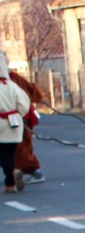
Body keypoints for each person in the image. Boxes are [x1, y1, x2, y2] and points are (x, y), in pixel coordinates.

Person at [0, 50, 31, 193]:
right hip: (14, 124)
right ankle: (10, 184)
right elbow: (24, 104)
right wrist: (18, 115)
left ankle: (13, 172)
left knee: (2, 156)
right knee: (10, 153)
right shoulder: (12, 86)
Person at [8, 66, 44, 183]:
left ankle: (31, 170)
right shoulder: (14, 77)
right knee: (22, 145)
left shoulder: (10, 79)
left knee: (19, 145)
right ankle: (19, 170)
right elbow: (35, 93)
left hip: (16, 117)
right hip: (22, 115)